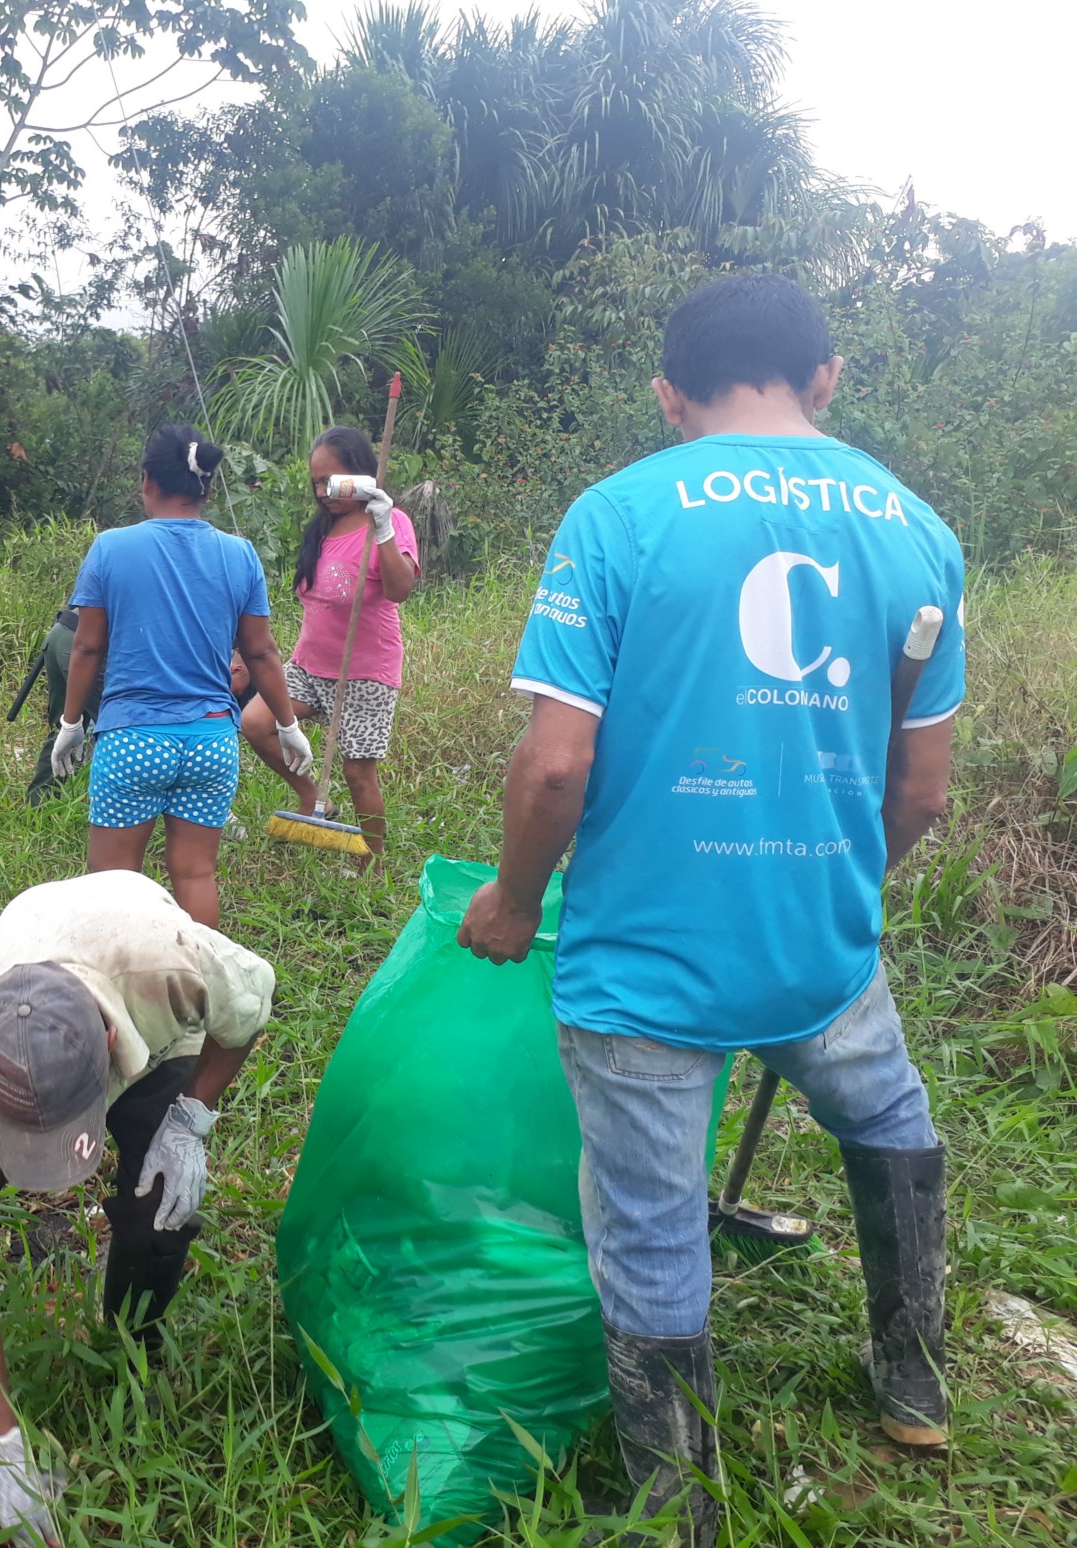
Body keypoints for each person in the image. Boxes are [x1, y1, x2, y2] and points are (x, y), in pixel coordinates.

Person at [457, 274, 965, 1542]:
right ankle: (915, 1379)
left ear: (667, 393)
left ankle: (675, 1504)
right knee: (891, 1119)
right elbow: (922, 787)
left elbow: (556, 763)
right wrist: (835, 882)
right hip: (821, 952)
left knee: (649, 1221)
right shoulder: (918, 532)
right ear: (827, 378)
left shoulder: (619, 515)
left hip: (646, 961)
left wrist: (516, 899)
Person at [0, 870, 275, 1547]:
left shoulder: (179, 966)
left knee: (161, 1208)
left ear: (108, 1049)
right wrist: (7, 1453)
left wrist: (191, 1116)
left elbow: (250, 1009)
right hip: (36, 933)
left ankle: (138, 1353)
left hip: (138, 981)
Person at [50, 425, 313, 928]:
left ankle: (121, 997)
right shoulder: (240, 554)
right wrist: (286, 724)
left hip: (133, 739)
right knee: (195, 875)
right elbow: (260, 651)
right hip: (213, 740)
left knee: (113, 882)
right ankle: (200, 993)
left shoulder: (111, 547)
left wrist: (70, 723)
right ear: (207, 490)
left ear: (146, 481)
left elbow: (86, 644)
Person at [242, 426, 420, 864]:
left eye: (331, 481)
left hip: (365, 673)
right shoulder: (322, 526)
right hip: (309, 666)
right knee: (256, 722)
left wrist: (382, 529)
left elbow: (400, 590)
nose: (322, 491)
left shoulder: (392, 522)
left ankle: (370, 865)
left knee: (358, 773)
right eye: (316, 481)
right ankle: (312, 796)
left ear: (360, 475)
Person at [24, 603, 104, 807]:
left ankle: (38, 807)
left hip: (60, 634)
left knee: (67, 725)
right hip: (85, 644)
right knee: (122, 730)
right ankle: (112, 815)